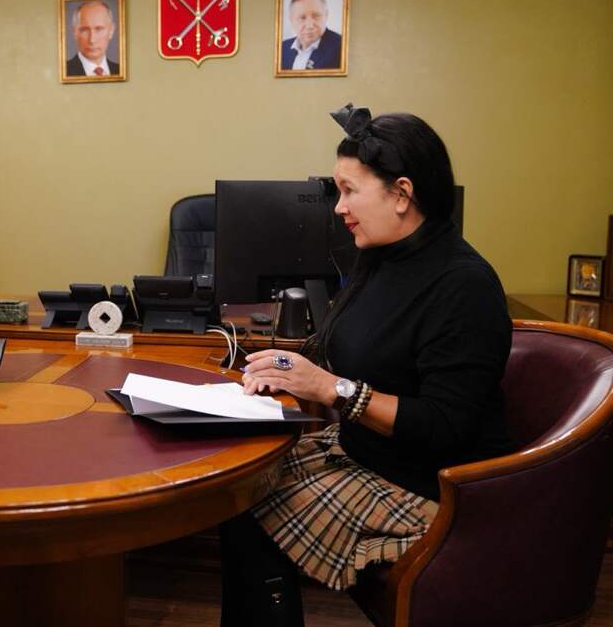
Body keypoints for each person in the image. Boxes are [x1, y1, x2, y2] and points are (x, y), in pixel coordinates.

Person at [219, 104, 514, 626]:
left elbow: (446, 426)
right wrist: (291, 367)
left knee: (250, 518)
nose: (338, 208)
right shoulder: (380, 256)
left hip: (426, 487)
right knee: (234, 492)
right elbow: (355, 349)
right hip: (365, 452)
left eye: (349, 191)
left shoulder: (464, 285)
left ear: (402, 194)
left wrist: (332, 388)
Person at [279, 0, 343, 71]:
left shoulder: (341, 46)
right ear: (291, 20)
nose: (310, 26)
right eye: (302, 18)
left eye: (316, 16)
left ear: (326, 15)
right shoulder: (282, 48)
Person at [66, 0, 120, 77]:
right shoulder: (64, 71)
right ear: (75, 32)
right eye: (85, 30)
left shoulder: (120, 70)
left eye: (99, 29)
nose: (92, 40)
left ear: (111, 31)